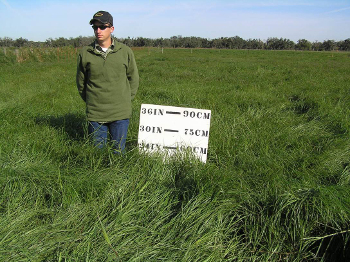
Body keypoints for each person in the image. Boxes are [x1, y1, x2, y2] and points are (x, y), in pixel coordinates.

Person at [76, 11, 139, 154]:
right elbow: (81, 82)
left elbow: (133, 78)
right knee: (97, 154)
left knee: (118, 152)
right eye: (95, 27)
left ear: (112, 29)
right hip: (95, 114)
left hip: (120, 113)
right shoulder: (85, 53)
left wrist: (125, 101)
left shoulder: (125, 51)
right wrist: (92, 101)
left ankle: (117, 176)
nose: (98, 31)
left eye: (102, 27)